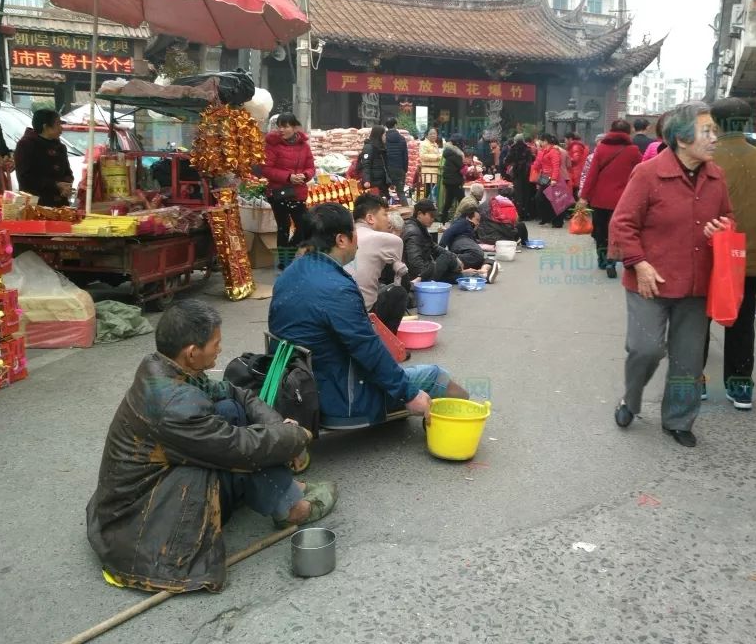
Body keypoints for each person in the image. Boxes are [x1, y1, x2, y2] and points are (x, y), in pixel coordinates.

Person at [86, 300, 337, 594]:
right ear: (192, 353)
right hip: (136, 525)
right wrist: (299, 437)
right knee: (242, 449)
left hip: (148, 488)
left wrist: (281, 426)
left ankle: (284, 492)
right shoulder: (174, 405)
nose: (220, 348)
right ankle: (292, 508)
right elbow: (241, 447)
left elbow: (236, 394)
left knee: (230, 409)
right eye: (215, 344)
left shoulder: (168, 368)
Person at [270, 203, 473, 426]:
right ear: (341, 240)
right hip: (340, 399)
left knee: (395, 371)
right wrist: (410, 393)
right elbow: (367, 349)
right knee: (436, 376)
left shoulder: (289, 274)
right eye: (354, 231)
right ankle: (468, 422)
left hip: (297, 388)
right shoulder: (337, 287)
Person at [607, 101, 732, 448]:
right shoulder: (648, 174)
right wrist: (639, 262)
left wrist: (721, 229)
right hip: (649, 281)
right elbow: (622, 223)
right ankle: (630, 401)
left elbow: (728, 219)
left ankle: (678, 419)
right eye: (707, 131)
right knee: (645, 349)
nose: (714, 138)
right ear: (682, 138)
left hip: (695, 284)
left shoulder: (716, 177)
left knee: (688, 360)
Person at [702, 98, 756, 410]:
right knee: (742, 321)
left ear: (717, 124)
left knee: (699, 320)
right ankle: (740, 387)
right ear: (747, 123)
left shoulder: (707, 157)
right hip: (748, 256)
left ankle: (697, 383)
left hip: (710, 255)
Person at [578, 120, 642, 278]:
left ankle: (602, 259)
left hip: (599, 199)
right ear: (628, 132)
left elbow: (592, 175)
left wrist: (584, 196)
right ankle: (611, 261)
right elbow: (641, 174)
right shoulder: (633, 151)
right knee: (617, 231)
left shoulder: (601, 148)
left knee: (600, 230)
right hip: (622, 200)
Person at [344, 193, 411, 335]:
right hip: (362, 313)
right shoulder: (383, 238)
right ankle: (387, 344)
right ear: (370, 218)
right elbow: (402, 275)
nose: (388, 220)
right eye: (385, 214)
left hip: (337, 311)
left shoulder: (343, 236)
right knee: (398, 293)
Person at [261, 113, 315, 269]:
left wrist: (305, 175)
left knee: (305, 225)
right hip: (279, 192)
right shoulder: (272, 144)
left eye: (285, 126)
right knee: (283, 227)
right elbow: (266, 169)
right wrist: (288, 177)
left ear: (294, 126)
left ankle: (289, 252)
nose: (281, 130)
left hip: (298, 192)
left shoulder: (304, 145)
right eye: (279, 126)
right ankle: (284, 263)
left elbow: (311, 167)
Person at [402, 198, 490, 284]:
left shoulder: (420, 227)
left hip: (425, 271)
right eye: (431, 215)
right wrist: (426, 274)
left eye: (435, 216)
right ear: (419, 214)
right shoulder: (413, 232)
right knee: (447, 258)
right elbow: (415, 263)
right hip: (420, 274)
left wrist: (454, 258)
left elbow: (434, 247)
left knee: (449, 258)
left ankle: (475, 274)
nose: (433, 219)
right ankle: (474, 275)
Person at [14, 108, 74, 206]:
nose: (61, 128)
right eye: (58, 124)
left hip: (60, 204)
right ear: (46, 127)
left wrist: (66, 185)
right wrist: (55, 185)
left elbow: (68, 172)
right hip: (37, 203)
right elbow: (25, 178)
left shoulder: (60, 147)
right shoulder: (26, 145)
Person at [439, 205, 499, 280]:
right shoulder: (462, 222)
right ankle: (482, 272)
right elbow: (447, 233)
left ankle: (483, 272)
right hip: (460, 241)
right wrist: (440, 251)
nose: (478, 223)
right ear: (468, 218)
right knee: (476, 254)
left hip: (464, 247)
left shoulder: (470, 227)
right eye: (477, 220)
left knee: (487, 260)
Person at [532, 133, 566, 227]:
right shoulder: (543, 151)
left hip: (553, 178)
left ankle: (557, 221)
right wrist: (539, 153)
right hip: (544, 177)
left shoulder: (554, 151)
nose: (540, 143)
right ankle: (546, 218)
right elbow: (537, 165)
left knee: (555, 200)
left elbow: (556, 166)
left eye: (541, 141)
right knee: (539, 198)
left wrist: (554, 179)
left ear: (546, 141)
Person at [504, 133, 534, 221]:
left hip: (517, 173)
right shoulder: (528, 149)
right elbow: (531, 160)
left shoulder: (513, 149)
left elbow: (507, 160)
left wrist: (513, 164)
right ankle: (526, 214)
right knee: (526, 194)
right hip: (526, 174)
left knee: (518, 194)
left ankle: (519, 214)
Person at [357, 124, 390, 196]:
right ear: (379, 135)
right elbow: (366, 164)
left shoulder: (381, 147)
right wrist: (366, 180)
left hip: (382, 181)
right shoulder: (369, 147)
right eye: (384, 135)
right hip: (373, 181)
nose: (385, 137)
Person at [440, 134, 466, 222]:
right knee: (463, 201)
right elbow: (461, 166)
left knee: (448, 201)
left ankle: (443, 220)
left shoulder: (449, 152)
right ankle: (464, 219)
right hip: (455, 181)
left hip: (449, 181)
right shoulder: (456, 154)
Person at [384, 117, 409, 205]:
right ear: (395, 125)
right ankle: (407, 212)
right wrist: (404, 169)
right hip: (399, 169)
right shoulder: (402, 139)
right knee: (401, 192)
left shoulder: (384, 138)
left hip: (387, 170)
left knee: (384, 192)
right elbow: (405, 156)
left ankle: (384, 213)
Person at [565, 132, 589, 199]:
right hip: (578, 171)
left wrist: (566, 158)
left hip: (575, 172)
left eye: (565, 139)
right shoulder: (580, 145)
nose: (565, 141)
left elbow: (575, 159)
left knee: (575, 193)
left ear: (570, 139)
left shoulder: (575, 146)